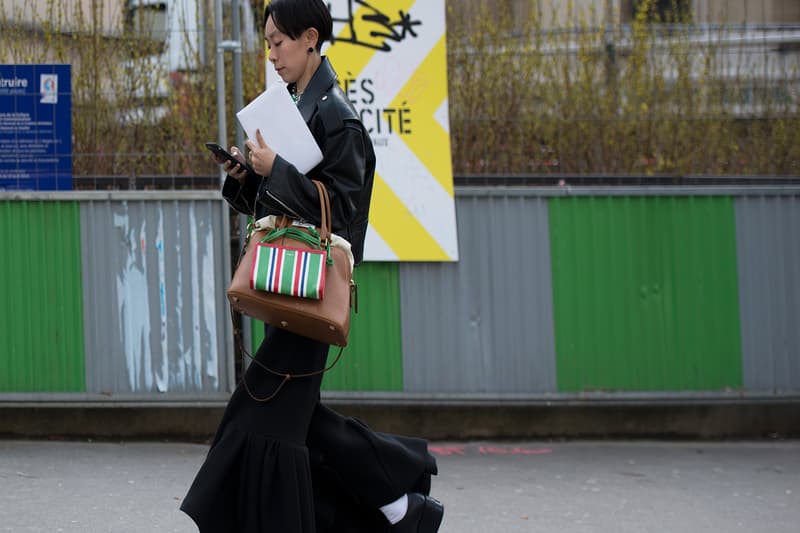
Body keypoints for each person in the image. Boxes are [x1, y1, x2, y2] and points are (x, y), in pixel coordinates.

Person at [180, 1, 444, 532]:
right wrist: (246, 179)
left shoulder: (337, 118)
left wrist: (276, 169)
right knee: (295, 419)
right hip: (293, 289)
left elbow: (341, 213)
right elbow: (289, 209)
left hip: (313, 292)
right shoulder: (299, 108)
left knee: (259, 412)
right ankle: (400, 508)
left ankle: (395, 503)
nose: (271, 54)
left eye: (278, 42)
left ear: (309, 38)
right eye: (268, 43)